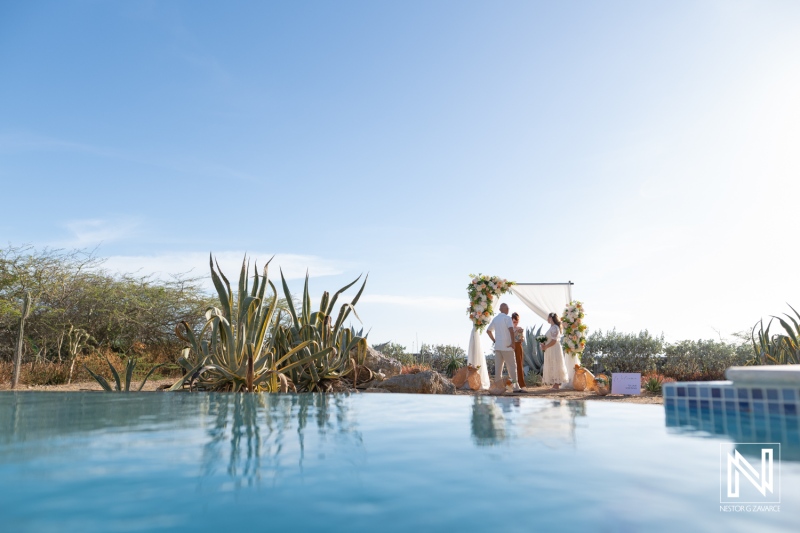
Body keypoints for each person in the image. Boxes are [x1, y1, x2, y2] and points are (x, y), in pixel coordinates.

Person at [487, 303, 521, 392]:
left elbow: (488, 331)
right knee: (512, 368)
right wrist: (513, 343)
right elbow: (511, 331)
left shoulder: (495, 319)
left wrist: (494, 340)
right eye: (508, 308)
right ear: (505, 309)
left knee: (498, 369)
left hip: (498, 347)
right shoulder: (507, 318)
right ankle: (515, 387)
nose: (508, 310)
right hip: (507, 346)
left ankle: (498, 388)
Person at [540, 312, 568, 390]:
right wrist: (543, 344)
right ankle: (555, 384)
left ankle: (556, 384)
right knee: (552, 364)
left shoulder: (555, 327)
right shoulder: (551, 327)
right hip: (550, 349)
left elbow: (554, 340)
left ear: (551, 318)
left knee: (555, 363)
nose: (547, 319)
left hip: (554, 348)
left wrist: (546, 346)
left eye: (548, 317)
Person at [511, 312, 526, 388]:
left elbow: (522, 339)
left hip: (518, 346)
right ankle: (512, 384)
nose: (516, 323)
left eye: (517, 322)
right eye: (514, 322)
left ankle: (521, 384)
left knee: (519, 365)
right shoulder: (509, 329)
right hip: (511, 347)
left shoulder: (520, 329)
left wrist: (519, 333)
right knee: (511, 366)